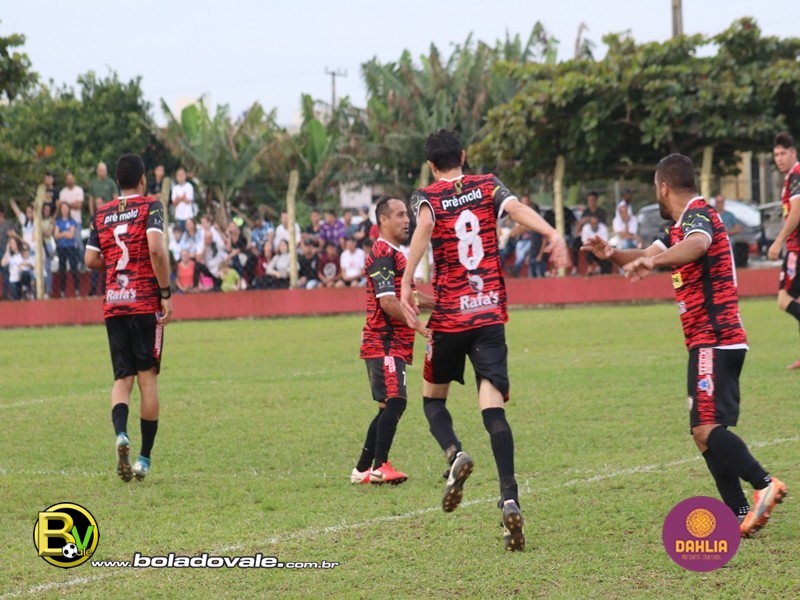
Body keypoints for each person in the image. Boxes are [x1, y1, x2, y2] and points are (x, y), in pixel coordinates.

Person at [583, 153, 787, 537]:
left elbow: (696, 246)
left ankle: (764, 485)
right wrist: (611, 254)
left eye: (655, 190)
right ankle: (739, 511)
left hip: (715, 338)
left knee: (706, 427)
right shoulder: (678, 227)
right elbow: (646, 255)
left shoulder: (698, 216)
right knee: (702, 432)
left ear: (664, 187)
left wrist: (653, 264)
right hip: (707, 340)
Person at [399, 129, 570, 552]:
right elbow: (516, 210)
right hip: (489, 313)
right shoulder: (487, 185)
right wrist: (552, 234)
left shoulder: (426, 197)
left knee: (432, 401)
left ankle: (454, 453)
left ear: (431, 165)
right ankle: (509, 496)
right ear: (463, 155)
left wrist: (406, 280)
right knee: (492, 409)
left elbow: (425, 226)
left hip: (451, 316)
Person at [85, 153, 173, 483]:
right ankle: (144, 459)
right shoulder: (151, 206)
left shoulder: (102, 213)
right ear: (143, 179)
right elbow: (156, 249)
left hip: (114, 305)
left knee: (123, 379)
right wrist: (165, 292)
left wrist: (115, 265)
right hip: (145, 302)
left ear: (117, 181)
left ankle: (121, 434)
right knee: (148, 379)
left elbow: (90, 259)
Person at [352, 196, 433, 485]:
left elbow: (411, 297)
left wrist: (446, 303)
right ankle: (380, 466)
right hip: (383, 341)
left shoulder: (396, 254)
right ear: (383, 220)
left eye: (407, 214)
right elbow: (387, 301)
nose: (407, 220)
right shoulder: (382, 254)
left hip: (392, 343)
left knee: (387, 406)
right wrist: (418, 325)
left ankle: (362, 470)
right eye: (399, 215)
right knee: (396, 401)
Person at [768, 132, 800, 369]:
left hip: (796, 249)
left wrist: (778, 241)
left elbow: (797, 212)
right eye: (776, 154)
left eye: (782, 153)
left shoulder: (796, 174)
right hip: (795, 248)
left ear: (793, 153)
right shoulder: (791, 176)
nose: (779, 158)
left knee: (784, 299)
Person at [54, 201, 81, 297]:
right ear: (61, 210)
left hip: (71, 247)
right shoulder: (58, 221)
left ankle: (77, 289)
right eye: (63, 208)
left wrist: (62, 233)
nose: (64, 210)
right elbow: (56, 236)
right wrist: (65, 233)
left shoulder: (72, 221)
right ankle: (62, 291)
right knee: (62, 270)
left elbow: (71, 235)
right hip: (61, 248)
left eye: (66, 208)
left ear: (69, 210)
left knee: (74, 268)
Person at [58, 173, 85, 265]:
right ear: (65, 181)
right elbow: (62, 206)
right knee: (65, 243)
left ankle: (82, 263)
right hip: (65, 221)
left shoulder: (79, 190)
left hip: (77, 221)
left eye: (71, 178)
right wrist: (72, 204)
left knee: (79, 243)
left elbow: (78, 206)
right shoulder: (62, 192)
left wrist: (67, 204)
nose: (70, 180)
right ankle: (72, 264)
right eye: (68, 179)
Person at [170, 167, 194, 232]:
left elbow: (188, 201)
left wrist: (179, 198)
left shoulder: (189, 186)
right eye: (179, 175)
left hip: (188, 217)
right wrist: (182, 197)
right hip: (178, 217)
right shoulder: (175, 188)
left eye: (182, 175)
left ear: (185, 175)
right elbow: (174, 203)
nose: (181, 177)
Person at [0, 208, 14, 299]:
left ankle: (6, 294)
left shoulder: (8, 224)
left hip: (5, 251)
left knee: (6, 273)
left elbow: (13, 236)